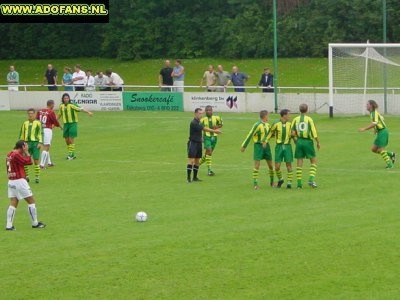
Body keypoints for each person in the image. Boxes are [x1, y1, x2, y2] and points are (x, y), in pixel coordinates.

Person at [5, 140, 46, 231]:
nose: (27, 147)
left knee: (13, 202)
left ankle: (9, 225)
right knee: (31, 201)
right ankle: (35, 223)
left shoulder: (9, 154)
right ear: (23, 146)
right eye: (26, 146)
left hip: (11, 181)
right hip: (19, 181)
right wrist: (27, 152)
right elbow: (29, 162)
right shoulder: (16, 155)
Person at [240, 110, 274, 189]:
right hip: (258, 146)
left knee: (271, 165)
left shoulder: (268, 125)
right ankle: (255, 184)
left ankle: (272, 183)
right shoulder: (257, 125)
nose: (268, 117)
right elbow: (250, 134)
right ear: (265, 116)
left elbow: (270, 135)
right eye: (268, 116)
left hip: (266, 146)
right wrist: (244, 146)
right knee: (257, 165)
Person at [187, 108, 221, 183]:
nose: (201, 115)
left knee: (197, 161)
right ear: (195, 113)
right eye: (199, 113)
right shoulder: (194, 122)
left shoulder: (199, 122)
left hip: (199, 143)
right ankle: (188, 178)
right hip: (193, 143)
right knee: (191, 161)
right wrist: (215, 131)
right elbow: (204, 129)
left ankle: (195, 177)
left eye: (202, 113)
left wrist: (201, 138)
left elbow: (199, 132)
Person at [358, 99, 395, 169]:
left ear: (371, 106)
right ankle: (391, 154)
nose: (366, 106)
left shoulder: (374, 113)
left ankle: (390, 165)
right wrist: (375, 129)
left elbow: (374, 123)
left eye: (367, 104)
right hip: (380, 132)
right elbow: (379, 120)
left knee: (381, 150)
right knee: (374, 149)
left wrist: (364, 129)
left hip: (383, 132)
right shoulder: (372, 113)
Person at [291, 103, 320, 188]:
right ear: (307, 110)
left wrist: (295, 140)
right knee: (313, 161)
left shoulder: (295, 119)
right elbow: (314, 132)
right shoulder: (309, 119)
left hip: (299, 141)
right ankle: (311, 179)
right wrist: (318, 142)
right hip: (308, 142)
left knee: (299, 161)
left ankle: (299, 184)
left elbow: (292, 133)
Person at [58, 93, 93, 160]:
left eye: (67, 98)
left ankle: (71, 155)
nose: (66, 99)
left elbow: (80, 109)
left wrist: (88, 112)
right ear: (63, 99)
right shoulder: (61, 106)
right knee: (67, 140)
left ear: (69, 98)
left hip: (73, 124)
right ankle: (72, 154)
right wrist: (54, 122)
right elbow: (59, 115)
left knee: (71, 139)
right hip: (66, 124)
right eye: (65, 98)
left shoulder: (72, 105)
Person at [266, 109, 293, 188]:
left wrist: (295, 139)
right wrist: (265, 141)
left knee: (289, 165)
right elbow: (270, 133)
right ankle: (280, 179)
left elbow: (293, 134)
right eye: (288, 114)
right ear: (284, 115)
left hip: (288, 146)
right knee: (277, 167)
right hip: (279, 147)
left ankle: (289, 183)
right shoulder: (276, 123)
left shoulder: (290, 124)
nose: (289, 116)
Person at [19, 108, 43, 183]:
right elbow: (22, 134)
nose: (30, 115)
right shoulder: (24, 123)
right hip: (26, 144)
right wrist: (21, 144)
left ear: (34, 114)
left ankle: (37, 177)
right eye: (29, 113)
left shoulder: (38, 123)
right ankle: (27, 176)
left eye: (32, 113)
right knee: (25, 160)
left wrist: (40, 142)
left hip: (35, 143)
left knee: (36, 160)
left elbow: (41, 133)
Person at [36, 100, 62, 168]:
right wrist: (60, 127)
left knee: (46, 146)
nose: (54, 106)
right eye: (53, 105)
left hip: (40, 129)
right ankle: (41, 164)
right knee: (46, 147)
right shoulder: (51, 112)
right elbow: (55, 121)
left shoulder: (40, 111)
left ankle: (49, 163)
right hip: (47, 130)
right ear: (51, 105)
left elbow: (36, 120)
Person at [199, 105, 223, 176]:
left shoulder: (217, 118)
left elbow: (221, 124)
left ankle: (197, 164)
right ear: (205, 111)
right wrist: (201, 137)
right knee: (209, 151)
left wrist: (217, 127)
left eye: (210, 110)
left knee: (208, 154)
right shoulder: (202, 120)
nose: (208, 111)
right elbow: (200, 128)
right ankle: (209, 170)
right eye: (207, 110)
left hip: (214, 137)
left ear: (212, 111)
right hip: (207, 137)